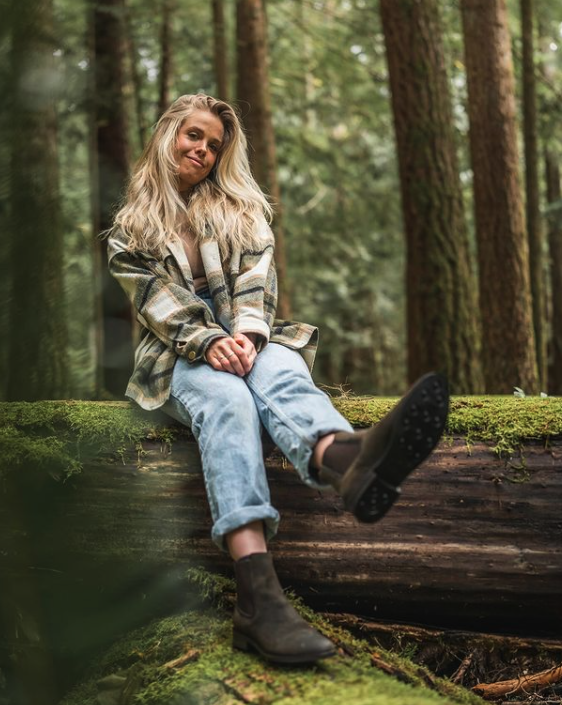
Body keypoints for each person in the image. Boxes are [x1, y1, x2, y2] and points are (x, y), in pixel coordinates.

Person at [107, 94, 449, 665]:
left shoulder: (242, 211)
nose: (204, 150)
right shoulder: (129, 231)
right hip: (176, 357)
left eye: (214, 145)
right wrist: (208, 340)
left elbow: (256, 286)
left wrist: (245, 335)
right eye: (194, 136)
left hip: (250, 338)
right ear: (167, 135)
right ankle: (258, 600)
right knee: (226, 403)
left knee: (285, 371)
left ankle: (344, 458)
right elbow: (155, 304)